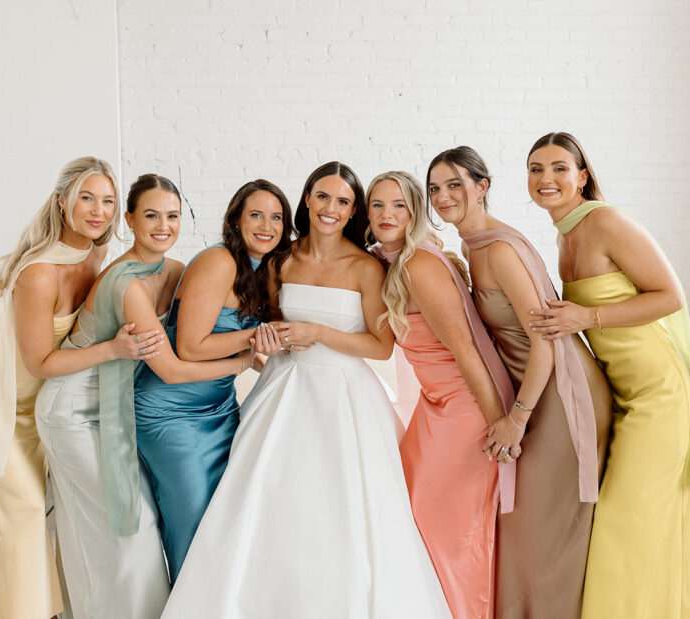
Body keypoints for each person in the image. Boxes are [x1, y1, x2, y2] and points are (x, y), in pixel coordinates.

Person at [161, 162, 451, 619]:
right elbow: (270, 324)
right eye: (323, 196)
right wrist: (266, 342)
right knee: (270, 498)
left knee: (343, 507)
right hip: (284, 389)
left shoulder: (366, 267)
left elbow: (380, 347)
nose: (331, 208)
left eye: (343, 201)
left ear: (353, 211)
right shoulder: (282, 260)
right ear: (307, 199)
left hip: (345, 398)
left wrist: (317, 332)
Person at [0, 157, 165, 618]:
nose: (98, 211)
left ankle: (58, 604)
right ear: (63, 202)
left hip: (35, 400)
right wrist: (113, 350)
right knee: (22, 506)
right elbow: (40, 363)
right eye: (87, 198)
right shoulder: (39, 272)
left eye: (108, 201)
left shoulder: (96, 256)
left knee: (48, 504)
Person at [35, 174, 253, 617]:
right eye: (151, 215)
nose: (163, 226)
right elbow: (171, 369)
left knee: (126, 526)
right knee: (130, 528)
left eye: (172, 216)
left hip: (117, 407)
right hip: (74, 409)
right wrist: (243, 360)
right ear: (130, 219)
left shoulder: (174, 272)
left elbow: (203, 324)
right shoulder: (126, 284)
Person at [524, 132, 690, 619]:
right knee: (635, 524)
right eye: (536, 169)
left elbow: (670, 295)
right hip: (626, 393)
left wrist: (586, 317)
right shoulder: (564, 234)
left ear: (582, 176)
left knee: (624, 518)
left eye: (560, 168)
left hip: (662, 392)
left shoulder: (605, 222)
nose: (546, 178)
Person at [426, 146, 613, 618]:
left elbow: (544, 343)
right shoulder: (471, 246)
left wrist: (516, 418)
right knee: (523, 527)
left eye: (455, 185)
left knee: (545, 530)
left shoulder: (500, 250)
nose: (443, 196)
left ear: (482, 187)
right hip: (532, 393)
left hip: (561, 395)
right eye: (435, 188)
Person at [366, 170, 515, 619]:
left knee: (451, 530)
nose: (387, 214)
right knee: (414, 511)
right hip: (436, 405)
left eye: (399, 205)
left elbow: (467, 350)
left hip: (467, 408)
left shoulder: (419, 266)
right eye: (377, 205)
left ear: (416, 211)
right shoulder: (388, 263)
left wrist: (500, 422)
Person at [135, 179, 292, 581]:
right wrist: (253, 342)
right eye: (256, 215)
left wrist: (278, 367)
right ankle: (185, 601)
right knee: (192, 519)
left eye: (276, 218)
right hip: (172, 411)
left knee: (224, 520)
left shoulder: (262, 271)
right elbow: (191, 347)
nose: (267, 226)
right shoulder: (218, 261)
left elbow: (249, 349)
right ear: (236, 219)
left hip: (219, 408)